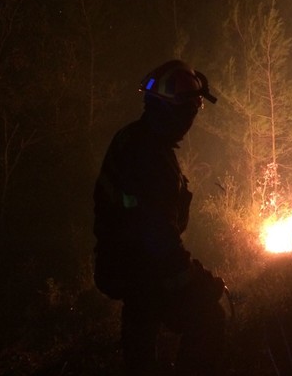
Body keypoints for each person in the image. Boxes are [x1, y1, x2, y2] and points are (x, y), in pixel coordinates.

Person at [93, 60, 226, 376]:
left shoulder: (134, 138)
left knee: (141, 335)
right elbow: (157, 236)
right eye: (191, 111)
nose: (192, 120)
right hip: (139, 269)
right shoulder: (150, 157)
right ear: (172, 111)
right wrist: (196, 278)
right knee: (208, 318)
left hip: (121, 263)